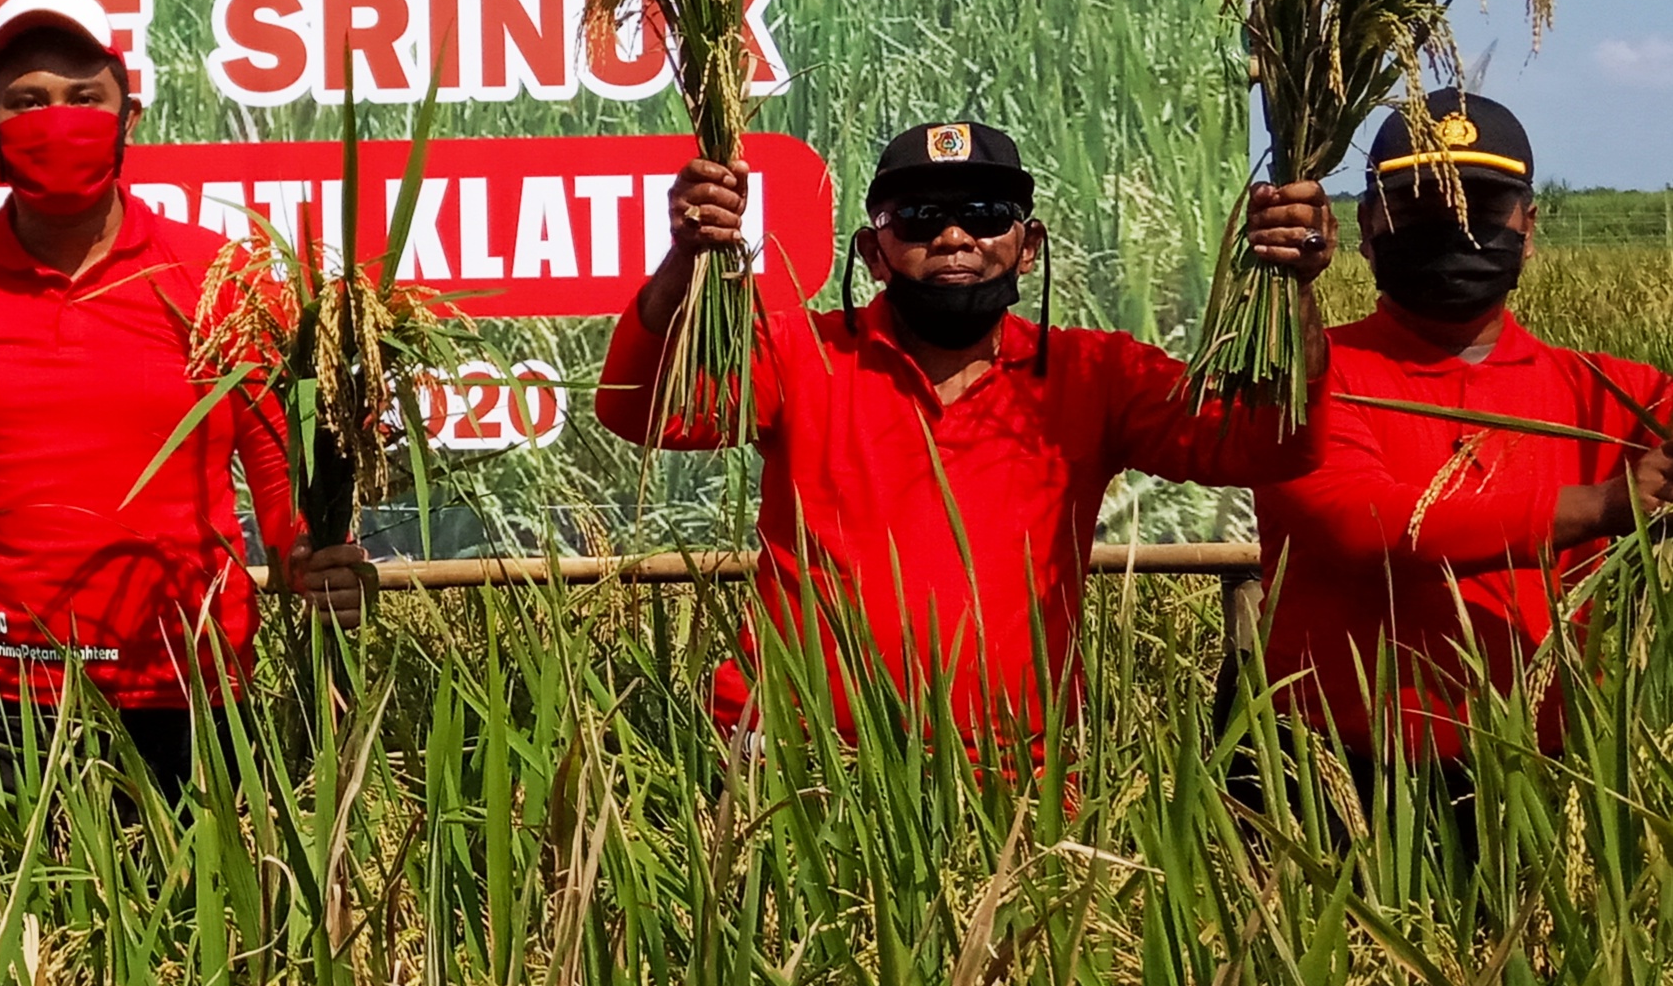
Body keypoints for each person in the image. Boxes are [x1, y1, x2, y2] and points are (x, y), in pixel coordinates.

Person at [0, 0, 374, 806]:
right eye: (26, 102)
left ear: (128, 118)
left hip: (188, 703)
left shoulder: (224, 282)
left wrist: (320, 565)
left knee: (196, 936)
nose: (56, 119)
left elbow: (285, 494)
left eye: (83, 98)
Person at [607, 122, 1335, 736]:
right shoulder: (802, 354)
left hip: (1019, 781)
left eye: (986, 214)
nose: (955, 236)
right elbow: (638, 409)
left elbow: (1269, 440)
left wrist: (1294, 286)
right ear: (872, 253)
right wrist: (687, 258)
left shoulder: (1092, 374)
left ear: (1029, 245)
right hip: (801, 770)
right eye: (919, 218)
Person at [1250, 91, 1673, 769]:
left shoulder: (1610, 395)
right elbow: (1363, 525)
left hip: (1543, 782)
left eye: (1477, 208)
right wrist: (1603, 506)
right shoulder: (1306, 376)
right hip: (1332, 780)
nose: (1453, 229)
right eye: (1421, 207)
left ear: (1528, 228)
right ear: (1366, 226)